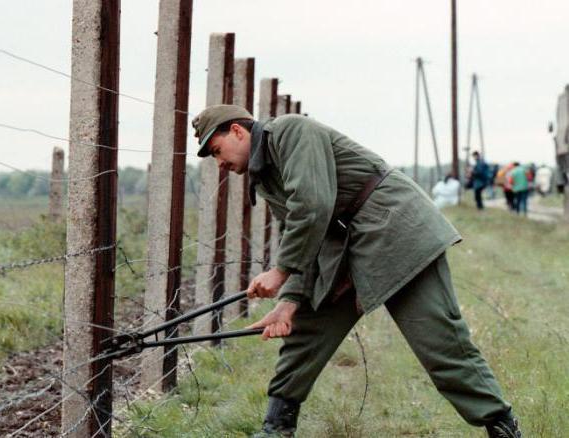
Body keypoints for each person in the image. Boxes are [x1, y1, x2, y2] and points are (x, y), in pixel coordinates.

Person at [192, 104, 521, 438]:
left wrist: (279, 272)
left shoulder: (291, 131)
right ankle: (276, 429)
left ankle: (501, 424)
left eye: (217, 151)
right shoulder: (264, 177)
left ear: (237, 131)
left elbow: (312, 207)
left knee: (438, 339)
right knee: (305, 329)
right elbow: (308, 236)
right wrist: (287, 302)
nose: (219, 164)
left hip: (396, 230)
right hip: (346, 245)